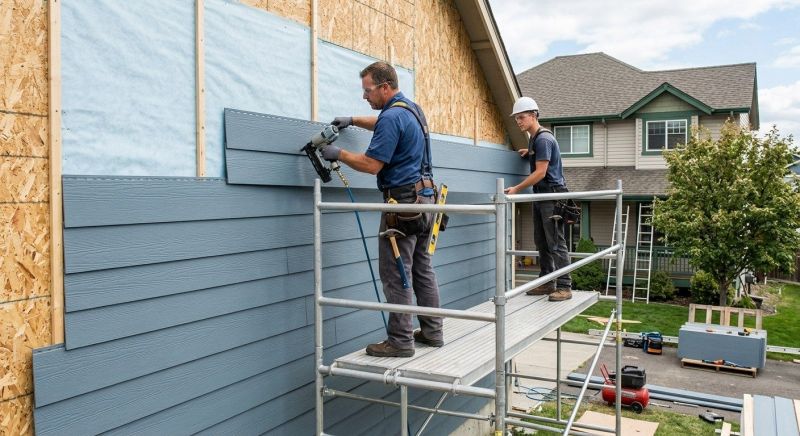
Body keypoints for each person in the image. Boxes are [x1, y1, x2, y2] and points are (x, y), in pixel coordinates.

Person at [320, 61, 442, 357]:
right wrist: (353, 120)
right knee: (422, 269)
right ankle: (432, 331)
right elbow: (384, 122)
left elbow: (372, 164)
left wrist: (339, 153)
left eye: (368, 90)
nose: (365, 96)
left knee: (396, 271)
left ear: (384, 88)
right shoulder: (410, 109)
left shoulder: (391, 117)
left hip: (402, 205)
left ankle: (400, 341)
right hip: (428, 201)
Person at [504, 97, 572, 301]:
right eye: (516, 118)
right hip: (542, 195)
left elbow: (541, 172)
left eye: (522, 117)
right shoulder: (535, 140)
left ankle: (565, 286)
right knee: (541, 241)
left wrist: (516, 188)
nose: (518, 121)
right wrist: (529, 154)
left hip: (552, 195)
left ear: (533, 115)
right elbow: (541, 161)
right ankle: (546, 282)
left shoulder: (543, 139)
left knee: (556, 242)